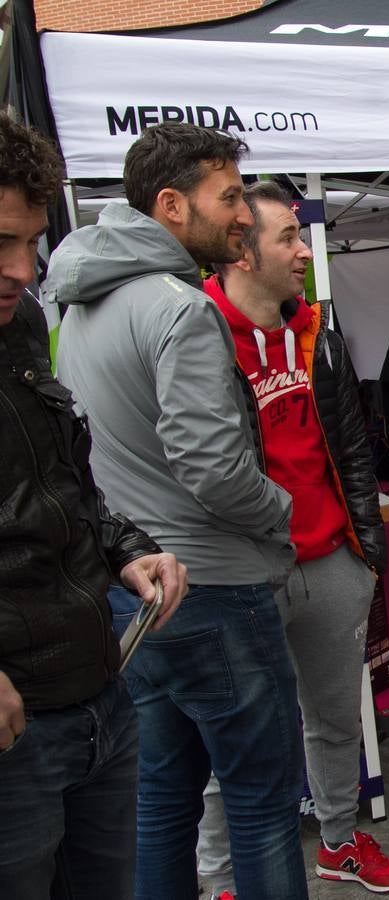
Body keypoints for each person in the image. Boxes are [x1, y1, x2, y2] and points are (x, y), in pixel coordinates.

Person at [47, 123, 306, 900]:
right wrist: (280, 510)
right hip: (212, 590)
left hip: (135, 590)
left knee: (162, 798)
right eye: (227, 198)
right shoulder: (180, 308)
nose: (240, 216)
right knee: (262, 805)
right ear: (169, 204)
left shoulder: (82, 299)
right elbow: (213, 468)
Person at [195, 182, 389, 895]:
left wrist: (366, 555)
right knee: (237, 736)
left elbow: (352, 451)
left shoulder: (318, 335)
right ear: (240, 248)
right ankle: (220, 880)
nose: (301, 251)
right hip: (242, 574)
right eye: (287, 236)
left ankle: (339, 845)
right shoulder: (193, 331)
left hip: (331, 562)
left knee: (333, 718)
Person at [0, 111, 187, 899]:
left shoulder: (21, 323)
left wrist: (125, 548)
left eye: (29, 244)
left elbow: (65, 485)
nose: (20, 269)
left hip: (98, 695)